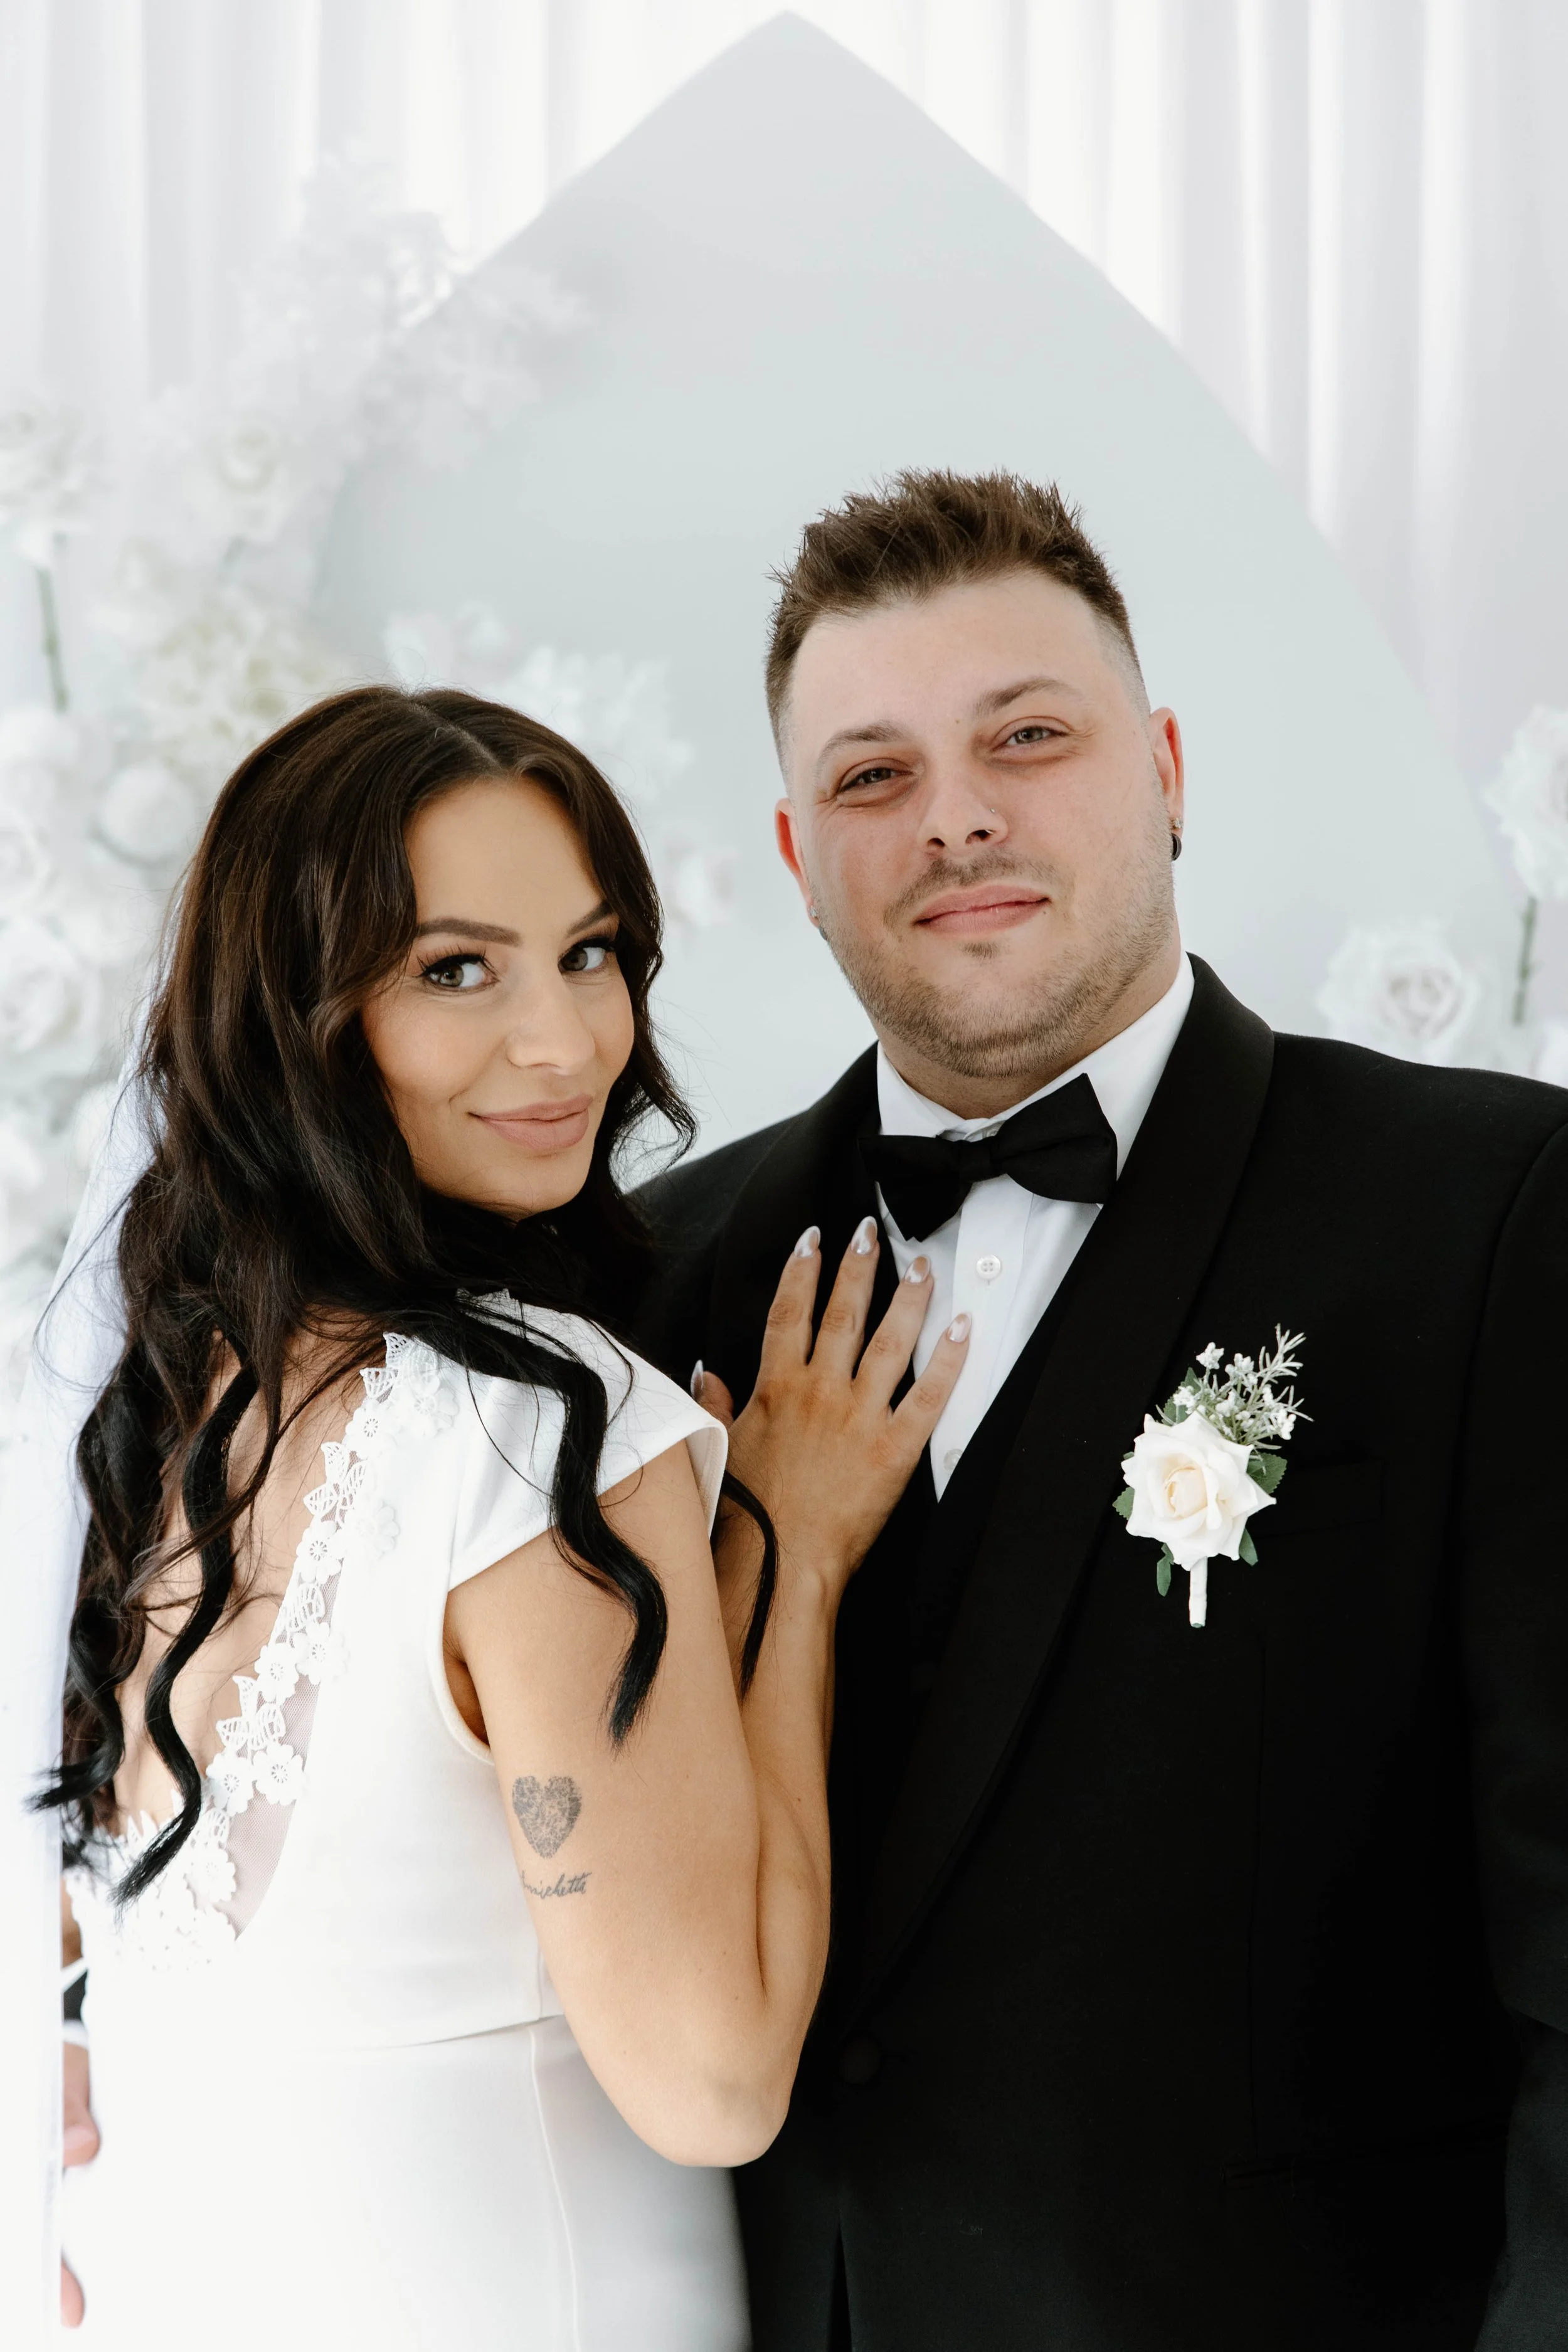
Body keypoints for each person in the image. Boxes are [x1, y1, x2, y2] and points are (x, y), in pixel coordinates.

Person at [635, 470, 1568, 2351]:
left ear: (1160, 767)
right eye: (871, 775)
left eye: (1027, 736)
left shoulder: (1483, 1215)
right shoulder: (654, 1282)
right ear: (798, 851)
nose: (957, 811)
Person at [39, 684, 969, 2349]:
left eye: (591, 951)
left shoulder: (157, 1427)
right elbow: (710, 2076)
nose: (563, 1042)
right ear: (297, 1017)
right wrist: (793, 1549)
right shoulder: (542, 1421)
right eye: (454, 969)